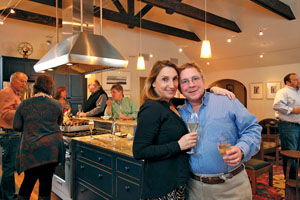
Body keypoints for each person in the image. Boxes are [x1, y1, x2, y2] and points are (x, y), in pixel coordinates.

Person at [133, 60, 235, 199]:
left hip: (177, 183)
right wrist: (178, 145)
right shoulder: (151, 108)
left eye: (175, 79)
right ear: (153, 83)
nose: (172, 85)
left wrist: (212, 91)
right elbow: (139, 151)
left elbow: (193, 96)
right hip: (161, 187)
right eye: (165, 79)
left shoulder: (170, 103)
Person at [177, 62, 261, 200]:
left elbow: (252, 128)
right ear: (180, 88)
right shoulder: (178, 112)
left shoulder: (227, 100)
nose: (191, 84)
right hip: (193, 189)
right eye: (185, 81)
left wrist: (241, 149)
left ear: (203, 81)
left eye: (195, 79)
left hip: (231, 187)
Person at [13, 74, 65, 200]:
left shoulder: (24, 104)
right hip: (50, 150)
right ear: (50, 88)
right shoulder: (57, 105)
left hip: (31, 150)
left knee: (28, 181)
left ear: (35, 87)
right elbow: (59, 123)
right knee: (46, 185)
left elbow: (17, 126)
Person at [0, 72, 28, 200]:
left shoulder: (15, 94)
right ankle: (8, 197)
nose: (24, 84)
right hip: (9, 134)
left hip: (13, 134)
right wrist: (22, 111)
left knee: (10, 167)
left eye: (26, 81)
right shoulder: (6, 93)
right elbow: (4, 114)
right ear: (13, 80)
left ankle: (7, 194)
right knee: (9, 168)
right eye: (22, 81)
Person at [273, 73, 300, 179]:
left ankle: (297, 179)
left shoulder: (298, 92)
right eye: (295, 79)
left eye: (298, 79)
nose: (298, 81)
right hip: (289, 126)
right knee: (291, 153)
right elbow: (277, 105)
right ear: (287, 82)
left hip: (298, 125)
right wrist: (293, 110)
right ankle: (290, 180)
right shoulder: (282, 92)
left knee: (298, 153)